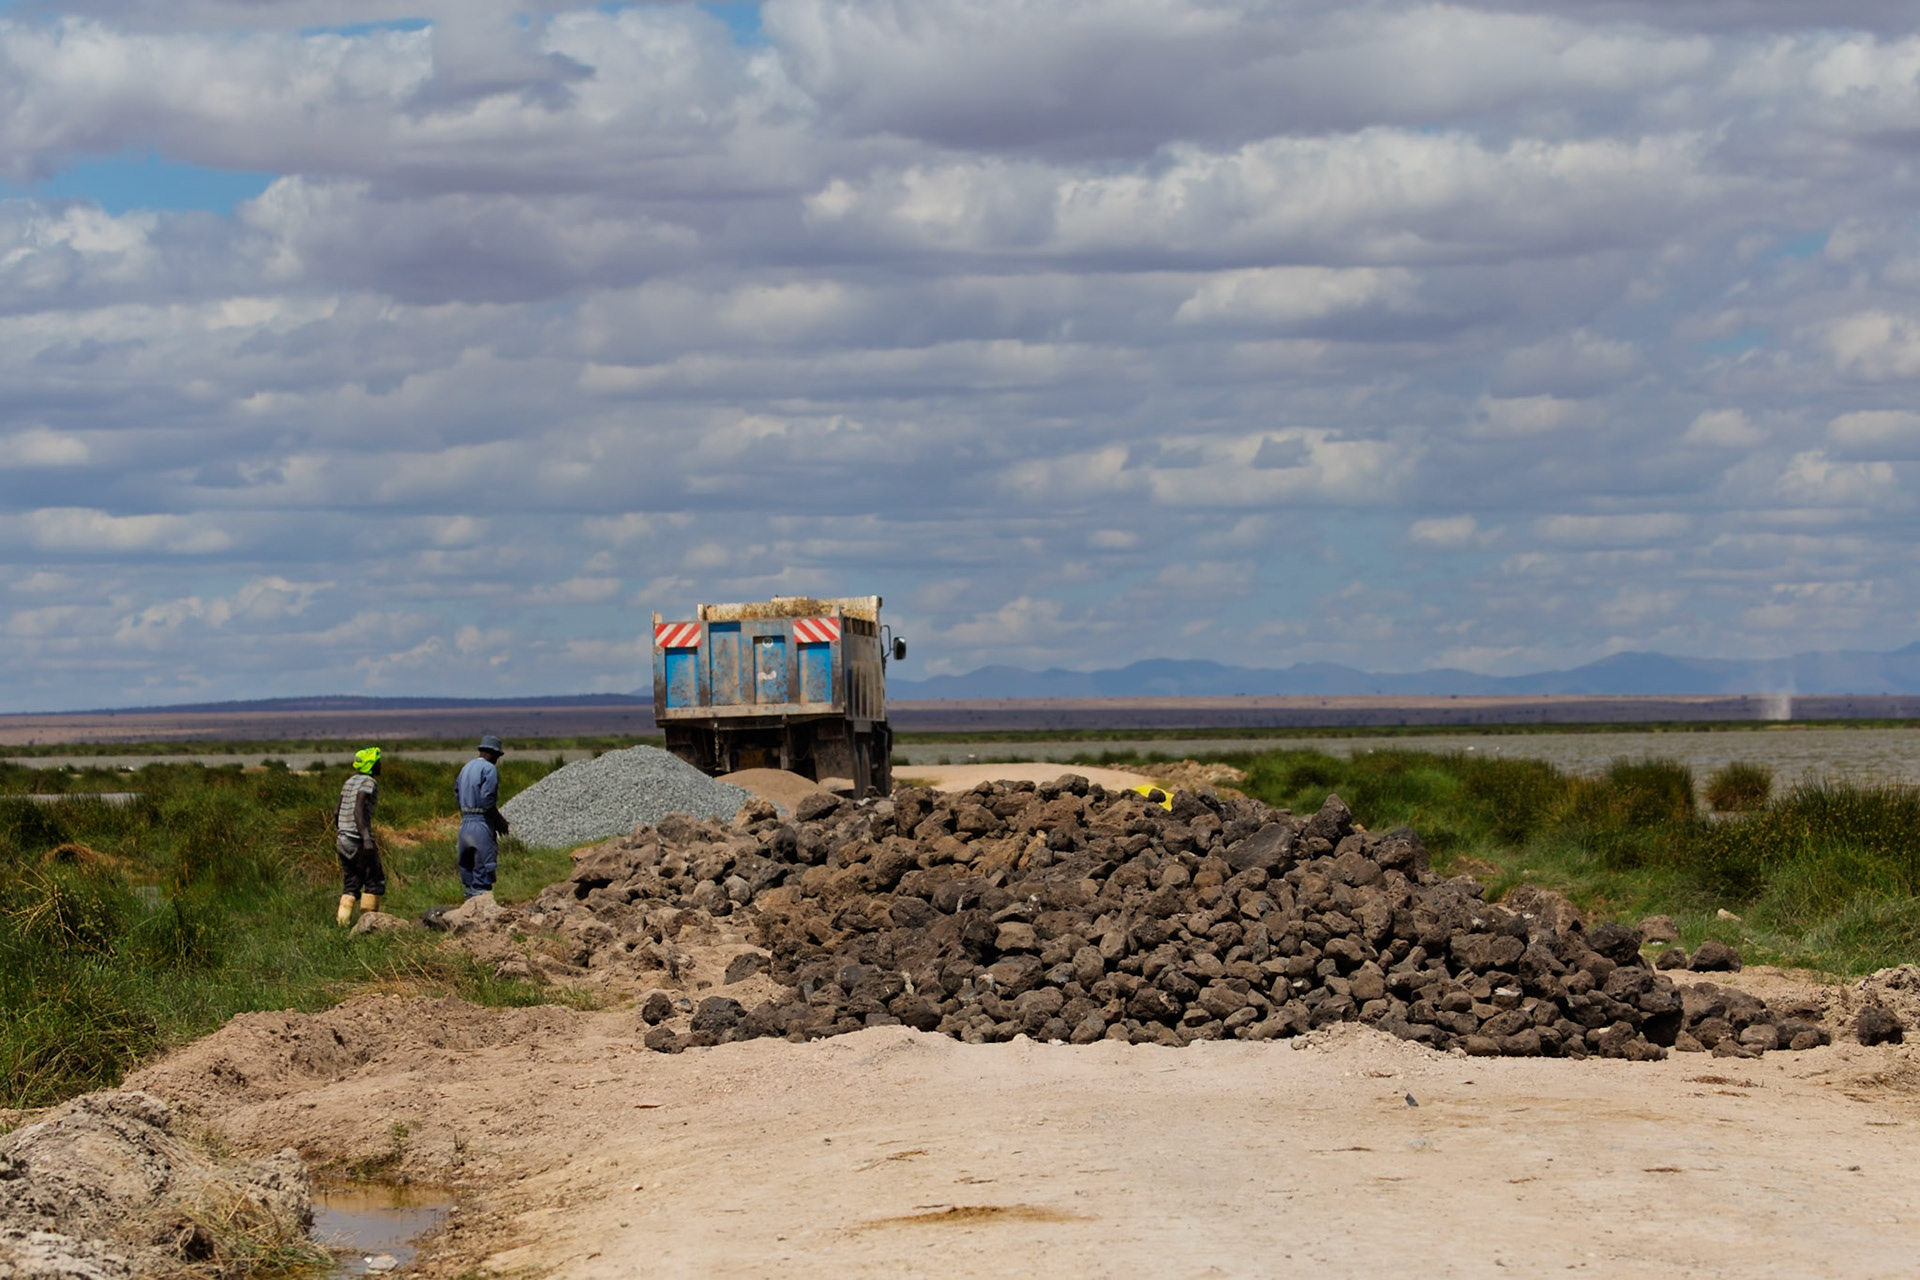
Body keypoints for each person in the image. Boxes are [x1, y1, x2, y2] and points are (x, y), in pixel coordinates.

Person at [334, 746, 386, 925]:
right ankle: (368, 925)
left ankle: (342, 925)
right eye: (378, 762)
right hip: (357, 839)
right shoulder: (369, 782)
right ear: (372, 765)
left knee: (351, 884)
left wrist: (341, 831)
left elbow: (336, 810)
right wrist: (366, 838)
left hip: (342, 838)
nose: (381, 765)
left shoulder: (349, 781)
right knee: (374, 881)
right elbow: (359, 809)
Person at [454, 734, 510, 898]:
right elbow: (487, 801)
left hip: (465, 824)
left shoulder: (466, 767)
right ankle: (481, 911)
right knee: (483, 870)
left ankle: (468, 908)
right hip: (481, 824)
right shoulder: (489, 769)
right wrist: (500, 822)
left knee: (468, 870)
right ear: (494, 754)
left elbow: (456, 793)